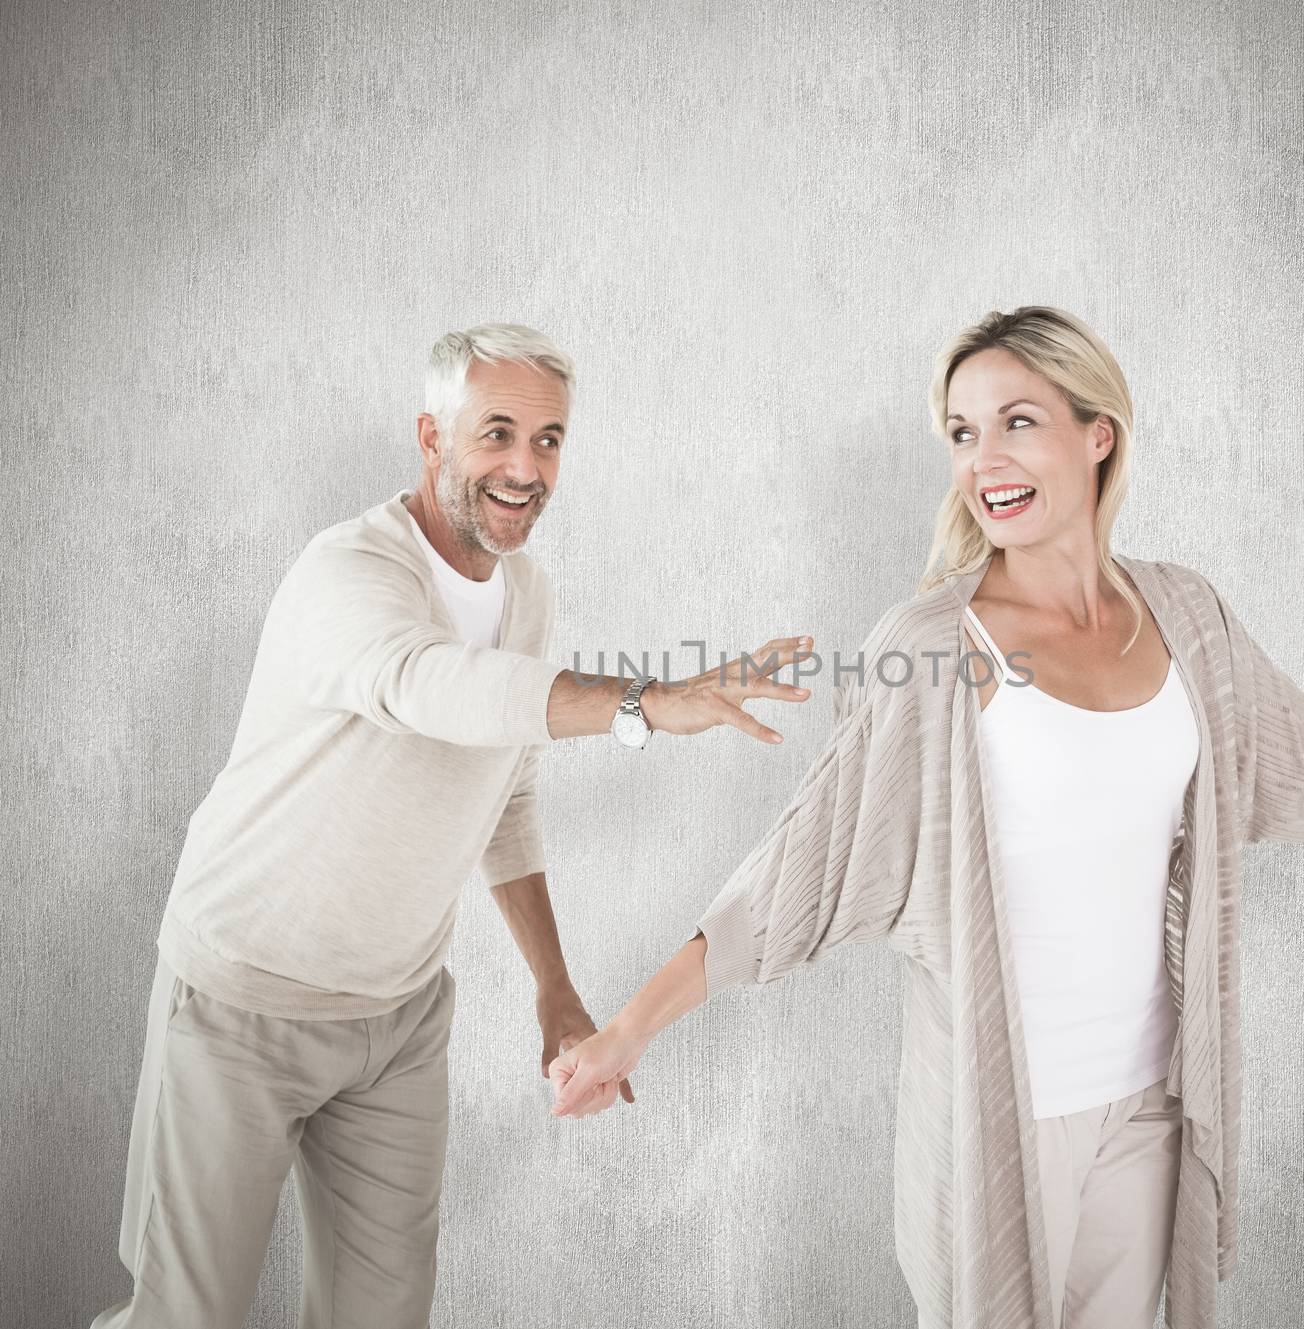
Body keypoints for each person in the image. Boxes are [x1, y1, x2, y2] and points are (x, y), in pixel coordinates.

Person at [548, 305, 1304, 1329]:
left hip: (1150, 1106)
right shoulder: (936, 646)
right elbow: (796, 875)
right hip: (996, 1123)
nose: (984, 458)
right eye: (961, 432)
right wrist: (630, 1028)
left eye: (1016, 421)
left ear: (1096, 433)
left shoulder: (1187, 618)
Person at [90, 323, 815, 1328]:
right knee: (187, 1313)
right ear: (432, 438)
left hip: (396, 1020)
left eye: (550, 439)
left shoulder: (525, 594)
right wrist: (647, 703)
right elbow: (429, 688)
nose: (526, 468)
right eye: (497, 434)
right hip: (238, 1008)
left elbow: (503, 786)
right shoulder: (347, 572)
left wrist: (554, 986)